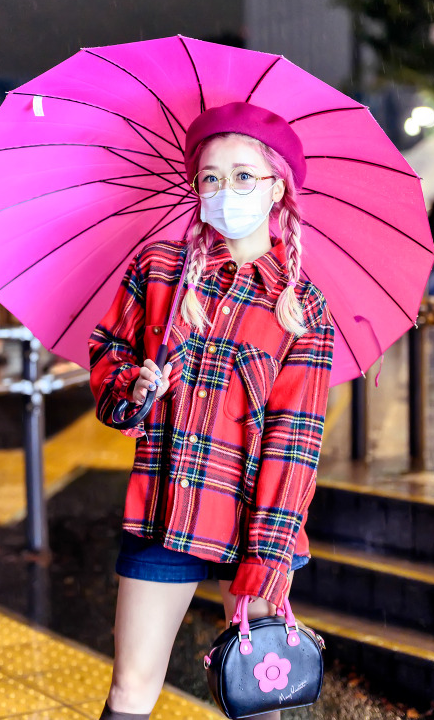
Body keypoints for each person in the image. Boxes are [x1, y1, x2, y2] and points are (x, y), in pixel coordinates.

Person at [89, 102, 335, 720]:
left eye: (244, 176)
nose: (227, 190)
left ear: (277, 187)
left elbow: (295, 441)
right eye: (211, 177)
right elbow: (110, 361)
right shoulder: (161, 271)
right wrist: (134, 388)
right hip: (165, 510)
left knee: (255, 697)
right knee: (129, 691)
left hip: (257, 522)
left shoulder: (300, 304)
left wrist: (266, 561)